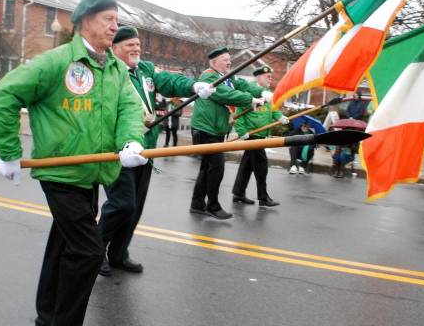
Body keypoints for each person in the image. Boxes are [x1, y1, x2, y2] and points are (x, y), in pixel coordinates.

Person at [0, 0, 148, 326]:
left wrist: (131, 140)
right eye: (109, 19)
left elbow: (130, 109)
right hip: (60, 173)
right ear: (86, 21)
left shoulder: (116, 69)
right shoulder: (58, 61)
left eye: (116, 20)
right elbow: (4, 94)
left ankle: (47, 317)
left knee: (62, 246)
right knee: (89, 252)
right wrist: (9, 151)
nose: (114, 26)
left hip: (92, 174)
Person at [98, 26, 214, 276]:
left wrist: (194, 86)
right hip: (119, 150)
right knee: (122, 204)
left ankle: (119, 253)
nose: (136, 49)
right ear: (114, 48)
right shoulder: (108, 71)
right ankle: (95, 252)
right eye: (130, 45)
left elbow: (170, 81)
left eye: (138, 45)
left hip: (146, 150)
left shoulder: (146, 70)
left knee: (135, 206)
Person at [190, 46, 266, 219]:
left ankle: (197, 204)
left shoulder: (226, 77)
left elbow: (243, 85)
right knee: (216, 167)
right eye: (225, 59)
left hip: (215, 129)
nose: (229, 62)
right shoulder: (209, 76)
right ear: (214, 62)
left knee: (207, 168)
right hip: (205, 129)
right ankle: (213, 206)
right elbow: (227, 95)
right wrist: (251, 100)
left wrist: (262, 92)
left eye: (229, 59)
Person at [231, 66, 290, 207]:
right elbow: (239, 112)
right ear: (258, 77)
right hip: (252, 135)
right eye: (267, 76)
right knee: (261, 166)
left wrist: (280, 116)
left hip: (261, 135)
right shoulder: (249, 91)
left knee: (247, 165)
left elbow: (272, 109)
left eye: (271, 76)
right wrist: (241, 131)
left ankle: (238, 194)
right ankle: (263, 198)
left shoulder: (267, 93)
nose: (270, 78)